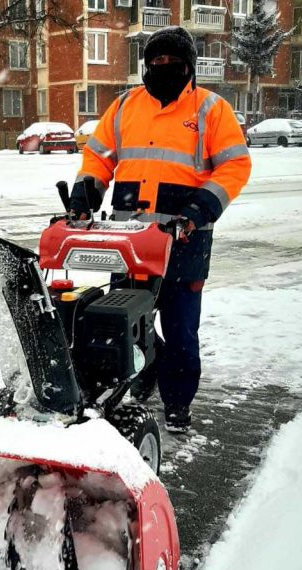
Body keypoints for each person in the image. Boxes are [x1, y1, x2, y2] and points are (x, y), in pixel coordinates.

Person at [68, 26, 251, 433]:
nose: (163, 67)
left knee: (181, 328)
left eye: (172, 61)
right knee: (129, 322)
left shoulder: (211, 109)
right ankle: (141, 375)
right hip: (130, 241)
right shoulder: (125, 106)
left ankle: (178, 403)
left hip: (185, 239)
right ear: (146, 65)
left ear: (189, 66)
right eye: (155, 61)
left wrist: (198, 209)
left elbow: (235, 165)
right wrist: (85, 193)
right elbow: (98, 157)